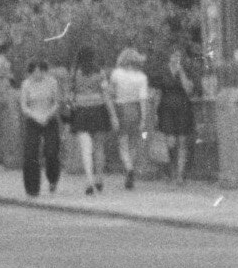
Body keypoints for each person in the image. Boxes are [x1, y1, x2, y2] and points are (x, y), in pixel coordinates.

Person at [66, 46, 114, 195]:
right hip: (99, 111)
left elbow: (69, 96)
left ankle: (89, 181)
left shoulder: (74, 73)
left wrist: (72, 105)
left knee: (85, 149)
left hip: (81, 112)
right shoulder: (100, 73)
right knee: (99, 147)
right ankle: (99, 178)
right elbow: (106, 95)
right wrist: (113, 115)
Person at [150, 49, 198, 186]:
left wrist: (181, 72)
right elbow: (157, 93)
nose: (176, 58)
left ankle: (180, 175)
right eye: (174, 55)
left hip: (183, 108)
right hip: (166, 109)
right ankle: (172, 169)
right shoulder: (163, 72)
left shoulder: (186, 71)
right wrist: (154, 113)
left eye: (178, 56)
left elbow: (189, 90)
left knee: (182, 141)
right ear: (169, 57)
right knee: (170, 141)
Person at [17, 59, 64, 197]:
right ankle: (32, 188)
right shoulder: (26, 84)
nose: (37, 75)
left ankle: (53, 178)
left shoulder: (52, 82)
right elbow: (24, 106)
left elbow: (57, 102)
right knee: (30, 153)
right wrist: (35, 116)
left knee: (51, 152)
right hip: (33, 119)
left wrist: (48, 115)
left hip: (49, 118)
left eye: (40, 72)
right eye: (34, 72)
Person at [106, 49, 151, 190]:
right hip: (136, 108)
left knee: (123, 142)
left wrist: (113, 114)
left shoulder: (116, 74)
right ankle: (131, 167)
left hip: (121, 108)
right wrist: (144, 118)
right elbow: (143, 99)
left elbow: (111, 93)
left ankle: (128, 167)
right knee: (133, 142)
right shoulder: (141, 77)